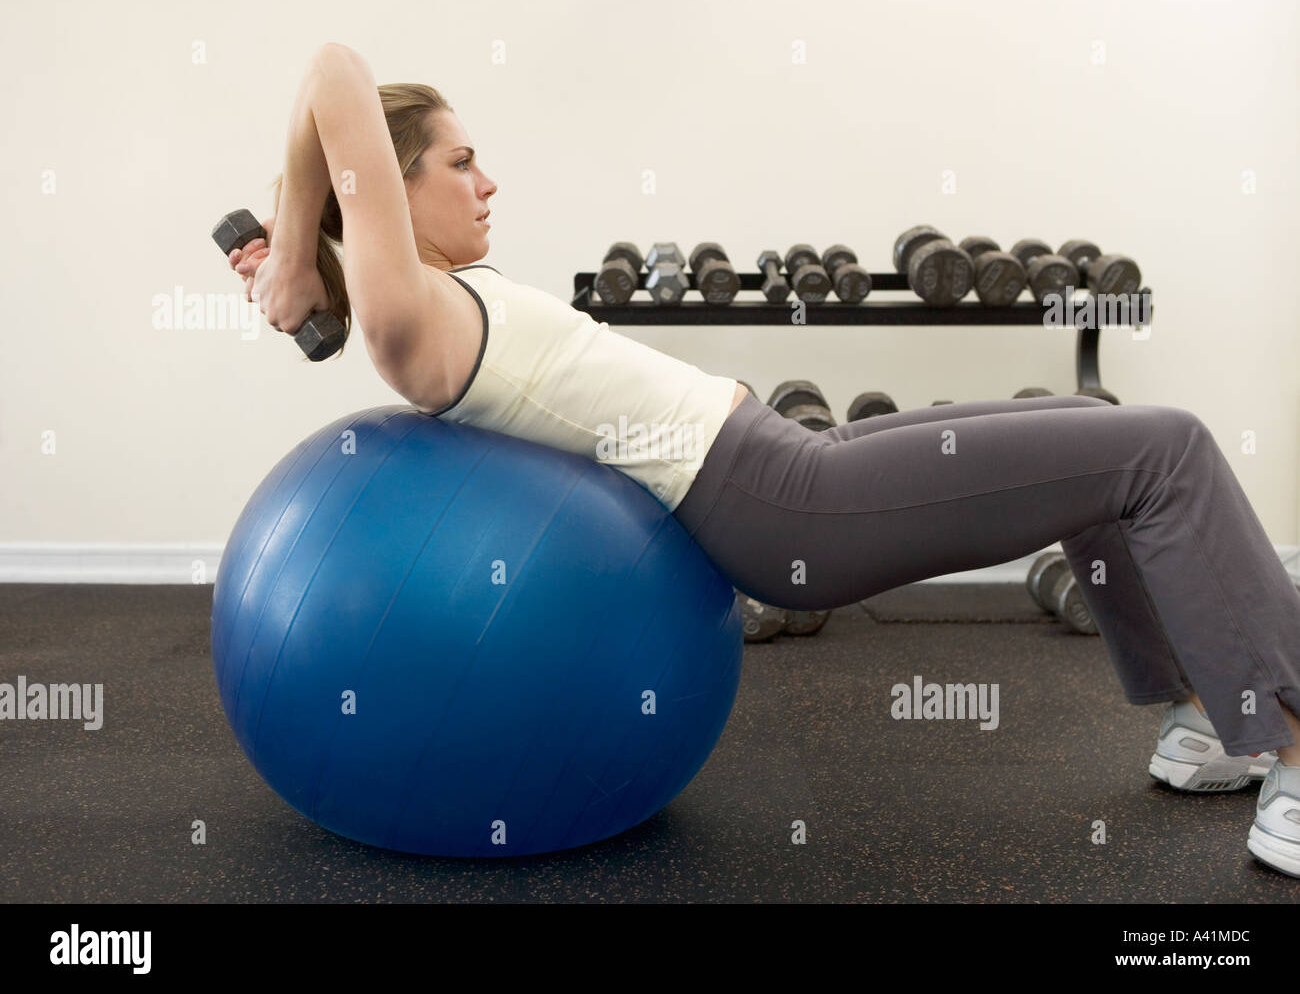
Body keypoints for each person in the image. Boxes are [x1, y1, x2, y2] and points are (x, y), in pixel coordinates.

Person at [228, 43, 1300, 878]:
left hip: (785, 456)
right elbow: (333, 68)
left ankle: (1206, 720)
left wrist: (301, 259)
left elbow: (339, 122)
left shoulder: (425, 305)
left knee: (1093, 431)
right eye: (459, 163)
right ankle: (1293, 759)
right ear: (387, 192)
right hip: (788, 504)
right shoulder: (406, 317)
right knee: (1170, 447)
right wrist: (295, 247)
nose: (488, 181)